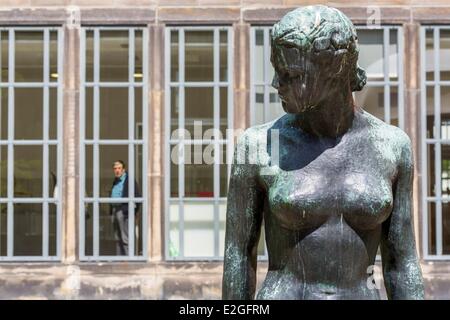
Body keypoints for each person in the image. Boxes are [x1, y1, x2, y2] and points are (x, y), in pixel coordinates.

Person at [222, 5, 424, 300]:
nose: (276, 84)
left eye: (291, 74)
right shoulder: (257, 145)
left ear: (334, 70)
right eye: (278, 71)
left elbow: (401, 263)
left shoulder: (392, 146)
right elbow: (238, 255)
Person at [110, 160, 141, 256]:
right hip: (115, 210)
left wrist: (133, 212)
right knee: (117, 237)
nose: (117, 170)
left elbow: (138, 197)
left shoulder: (129, 180)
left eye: (119, 168)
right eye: (115, 168)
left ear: (123, 169)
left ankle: (129, 258)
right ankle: (119, 259)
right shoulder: (116, 180)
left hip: (124, 211)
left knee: (125, 237)